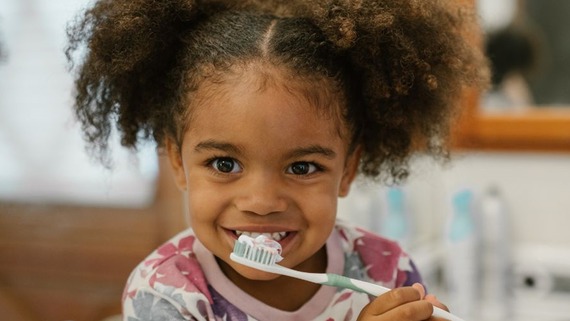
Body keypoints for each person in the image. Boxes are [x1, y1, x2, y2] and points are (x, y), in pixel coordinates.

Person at [65, 0, 488, 319]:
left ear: (348, 170)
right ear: (177, 161)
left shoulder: (385, 270)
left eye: (302, 167)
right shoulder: (164, 292)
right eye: (225, 164)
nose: (262, 201)